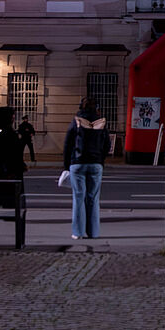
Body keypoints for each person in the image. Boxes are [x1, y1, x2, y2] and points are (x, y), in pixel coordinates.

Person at [63, 96, 109, 239]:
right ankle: (93, 232)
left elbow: (68, 144)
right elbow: (107, 145)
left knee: (78, 198)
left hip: (78, 163)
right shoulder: (101, 123)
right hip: (95, 164)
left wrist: (66, 165)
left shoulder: (76, 121)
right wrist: (100, 160)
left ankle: (78, 232)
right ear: (97, 108)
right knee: (93, 199)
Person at [0, 106, 25, 208]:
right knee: (12, 193)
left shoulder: (0, 132)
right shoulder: (9, 133)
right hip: (11, 169)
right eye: (12, 116)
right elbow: (15, 153)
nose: (14, 118)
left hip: (3, 167)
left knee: (2, 183)